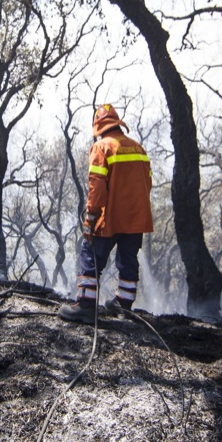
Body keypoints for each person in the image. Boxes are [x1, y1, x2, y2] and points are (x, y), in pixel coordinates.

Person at [59, 104, 154, 324]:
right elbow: (147, 183)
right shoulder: (139, 148)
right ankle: (124, 305)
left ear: (99, 127)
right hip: (136, 218)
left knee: (90, 255)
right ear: (117, 123)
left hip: (109, 218)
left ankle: (85, 305)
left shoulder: (101, 148)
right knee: (128, 260)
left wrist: (90, 219)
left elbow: (97, 188)